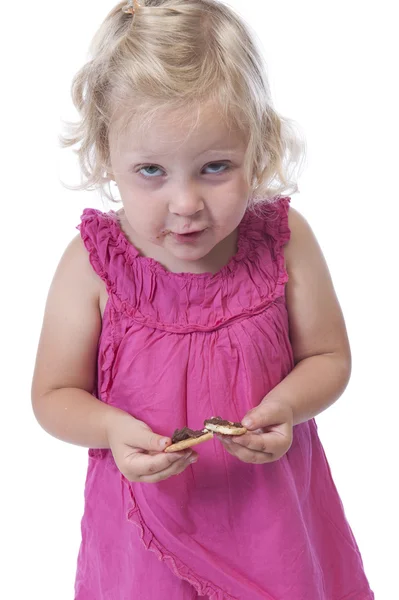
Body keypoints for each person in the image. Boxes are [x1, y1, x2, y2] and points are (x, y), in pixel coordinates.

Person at [31, 1, 375, 598]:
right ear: (105, 155)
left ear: (258, 147)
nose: (186, 203)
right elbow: (53, 396)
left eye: (215, 167)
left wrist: (289, 406)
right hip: (143, 533)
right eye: (151, 171)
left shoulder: (285, 245)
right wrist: (110, 428)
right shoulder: (93, 264)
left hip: (271, 524)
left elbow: (329, 357)